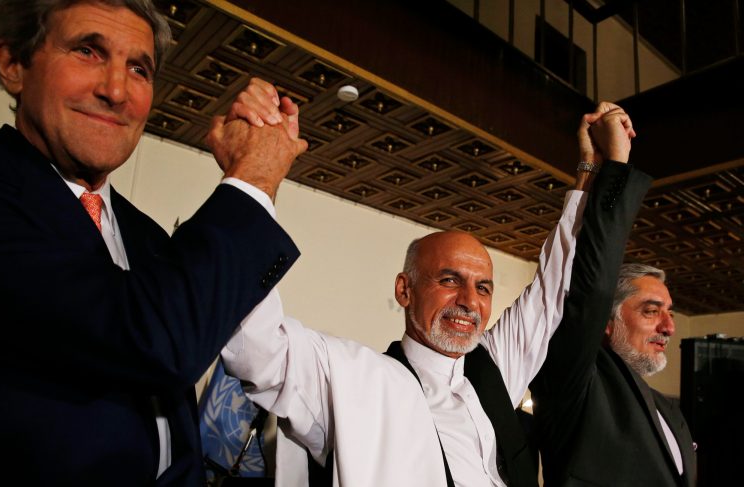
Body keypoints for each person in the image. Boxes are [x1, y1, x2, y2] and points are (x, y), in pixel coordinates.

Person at [221, 80, 652, 486]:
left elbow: (556, 285)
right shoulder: (352, 380)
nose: (469, 301)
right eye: (450, 280)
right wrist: (253, 178)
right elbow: (255, 349)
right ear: (404, 290)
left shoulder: (494, 368)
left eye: (483, 287)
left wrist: (590, 171)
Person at [0, 1, 305, 484]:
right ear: (13, 65)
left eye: (139, 68)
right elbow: (154, 341)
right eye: (88, 51)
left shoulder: (147, 235)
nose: (116, 90)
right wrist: (253, 177)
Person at [530, 262, 697, 486]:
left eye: (670, 313)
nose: (669, 327)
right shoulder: (578, 385)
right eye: (651, 311)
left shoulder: (669, 410)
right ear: (606, 320)